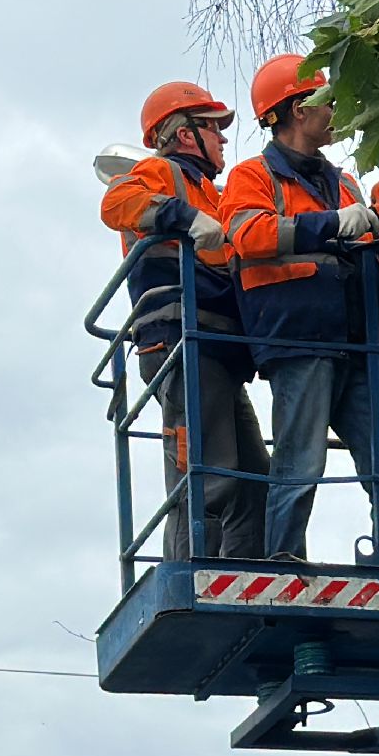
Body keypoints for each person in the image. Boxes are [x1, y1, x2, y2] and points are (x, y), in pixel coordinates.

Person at [220, 55, 379, 567]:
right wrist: (334, 223)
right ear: (292, 111)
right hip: (301, 341)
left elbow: (367, 255)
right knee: (299, 467)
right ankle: (283, 563)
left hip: (362, 343)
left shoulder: (346, 183)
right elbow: (248, 235)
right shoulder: (253, 176)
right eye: (324, 101)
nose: (334, 109)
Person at [100, 81, 269, 560]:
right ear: (183, 132)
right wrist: (181, 217)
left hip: (215, 345)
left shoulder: (213, 193)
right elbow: (116, 203)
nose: (222, 139)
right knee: (207, 476)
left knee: (254, 478)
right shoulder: (162, 173)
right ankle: (195, 574)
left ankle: (241, 574)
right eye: (214, 127)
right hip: (180, 339)